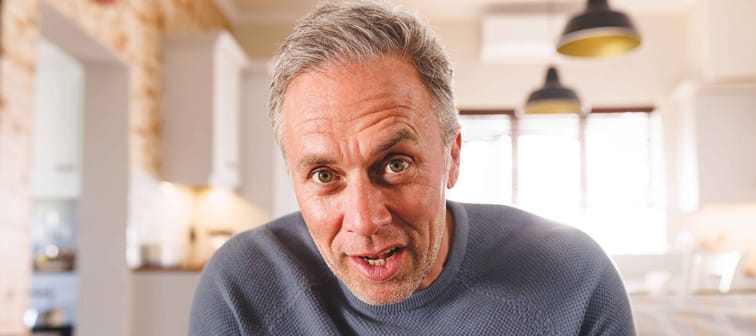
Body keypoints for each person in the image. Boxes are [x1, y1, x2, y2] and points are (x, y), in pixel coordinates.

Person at [189, 1, 635, 335]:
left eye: (395, 164)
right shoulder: (242, 287)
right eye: (325, 176)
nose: (364, 222)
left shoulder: (575, 277)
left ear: (452, 155)